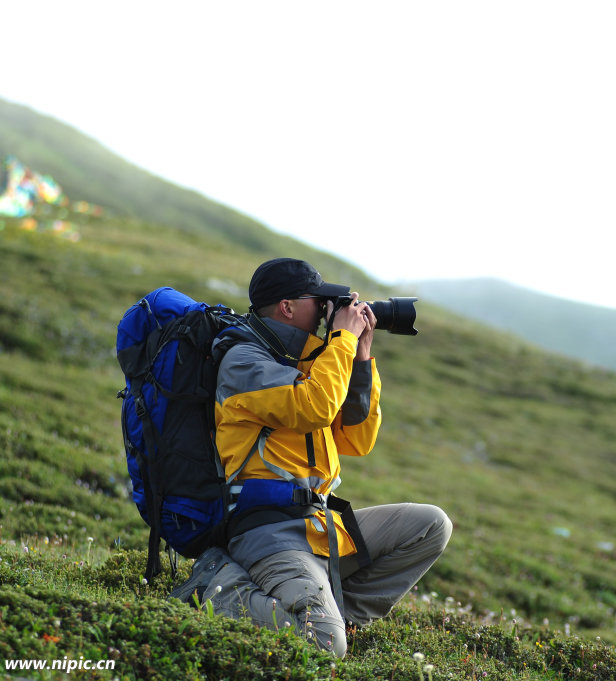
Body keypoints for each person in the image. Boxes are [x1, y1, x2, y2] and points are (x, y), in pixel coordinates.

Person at [171, 257, 452, 658]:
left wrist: (361, 356)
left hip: (319, 525)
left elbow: (356, 439)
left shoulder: (308, 362)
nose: (326, 309)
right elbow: (314, 407)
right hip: (269, 533)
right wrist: (341, 340)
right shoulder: (244, 362)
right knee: (320, 644)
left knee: (430, 525)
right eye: (317, 300)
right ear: (287, 307)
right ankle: (216, 587)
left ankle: (341, 615)